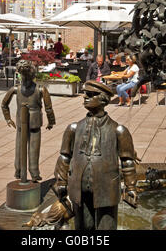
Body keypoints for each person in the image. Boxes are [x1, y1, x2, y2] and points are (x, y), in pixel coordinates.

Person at [53, 80, 137, 230]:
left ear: (104, 99)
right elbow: (64, 157)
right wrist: (61, 182)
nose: (85, 97)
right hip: (79, 189)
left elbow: (128, 161)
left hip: (106, 188)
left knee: (106, 228)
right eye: (85, 94)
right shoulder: (73, 128)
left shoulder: (118, 131)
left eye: (92, 95)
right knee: (83, 227)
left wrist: (131, 187)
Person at [1, 59, 56, 182]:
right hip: (34, 124)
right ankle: (34, 172)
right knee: (33, 149)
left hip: (22, 123)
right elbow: (49, 108)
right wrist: (51, 122)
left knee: (20, 148)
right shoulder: (41, 89)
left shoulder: (15, 89)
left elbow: (4, 104)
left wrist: (8, 119)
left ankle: (19, 171)